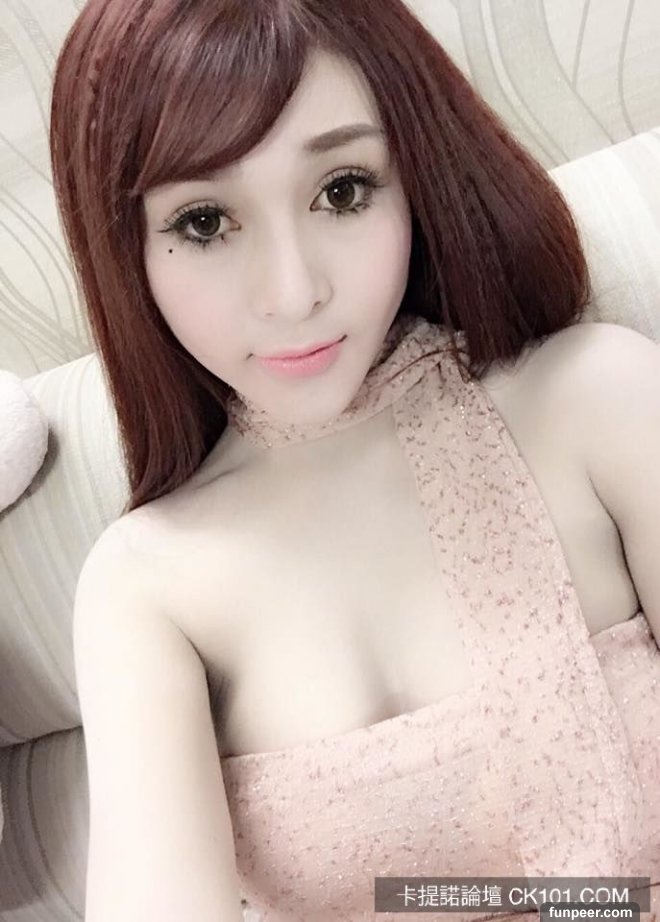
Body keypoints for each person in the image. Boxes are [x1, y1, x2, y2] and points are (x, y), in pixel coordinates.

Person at [50, 0, 660, 919]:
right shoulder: (145, 585)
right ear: (124, 247)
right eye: (205, 222)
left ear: (415, 175)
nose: (294, 293)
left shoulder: (599, 398)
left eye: (341, 191)